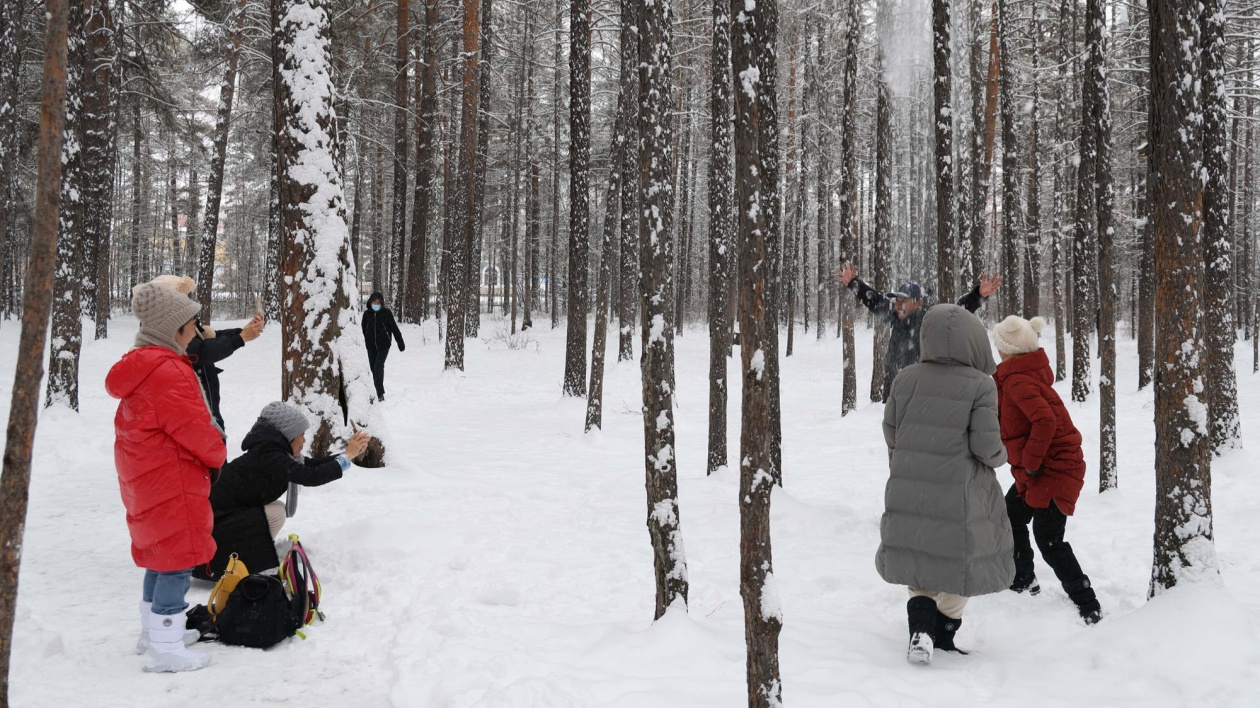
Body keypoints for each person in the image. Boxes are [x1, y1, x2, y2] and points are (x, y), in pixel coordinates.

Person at [876, 304, 1013, 665]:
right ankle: (944, 634)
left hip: (912, 482)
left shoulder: (906, 378)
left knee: (921, 554)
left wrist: (905, 459)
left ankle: (920, 630)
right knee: (959, 561)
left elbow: (891, 430)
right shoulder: (980, 385)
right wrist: (1002, 456)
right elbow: (986, 446)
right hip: (959, 489)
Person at [106, 282, 227, 673]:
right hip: (172, 479)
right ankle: (166, 645)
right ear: (173, 328)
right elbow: (194, 427)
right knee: (176, 561)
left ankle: (153, 632)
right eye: (192, 325)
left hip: (147, 479)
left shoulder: (141, 364)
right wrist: (218, 452)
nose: (196, 331)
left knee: (158, 557)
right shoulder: (168, 371)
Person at [992, 315, 1102, 625]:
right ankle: (1023, 579)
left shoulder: (1018, 380)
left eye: (998, 346)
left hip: (1056, 467)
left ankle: (1088, 605)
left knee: (1049, 538)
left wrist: (1030, 462)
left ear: (1007, 350)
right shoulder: (1017, 375)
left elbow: (1045, 421)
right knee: (1011, 512)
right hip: (1043, 467)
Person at [204, 402, 371, 578]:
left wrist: (346, 455)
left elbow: (310, 466)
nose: (304, 440)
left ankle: (252, 552)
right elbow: (309, 476)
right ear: (288, 435)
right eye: (302, 434)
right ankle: (245, 559)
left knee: (276, 509)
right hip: (216, 535)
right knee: (276, 512)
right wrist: (346, 457)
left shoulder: (271, 450)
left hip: (222, 522)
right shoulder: (269, 454)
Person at [836, 263, 1003, 401]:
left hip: (922, 395)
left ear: (918, 302)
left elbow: (957, 310)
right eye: (897, 300)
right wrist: (853, 283)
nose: (898, 305)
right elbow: (875, 300)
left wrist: (978, 295)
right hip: (895, 395)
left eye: (904, 300)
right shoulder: (896, 316)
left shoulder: (932, 319)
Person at [150, 274, 264, 430]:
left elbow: (207, 336)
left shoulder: (178, 319)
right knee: (210, 437)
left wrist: (243, 332)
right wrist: (241, 338)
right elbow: (200, 352)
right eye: (181, 297)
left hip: (204, 397)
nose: (186, 301)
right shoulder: (166, 327)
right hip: (194, 402)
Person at [362, 291, 405, 401]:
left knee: (378, 367)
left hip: (384, 346)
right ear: (370, 303)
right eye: (374, 302)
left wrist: (400, 341)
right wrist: (368, 338)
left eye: (378, 302)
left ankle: (379, 393)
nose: (376, 304)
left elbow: (394, 328)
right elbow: (364, 329)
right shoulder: (366, 314)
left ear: (381, 303)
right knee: (373, 368)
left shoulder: (386, 313)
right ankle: (375, 389)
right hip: (371, 346)